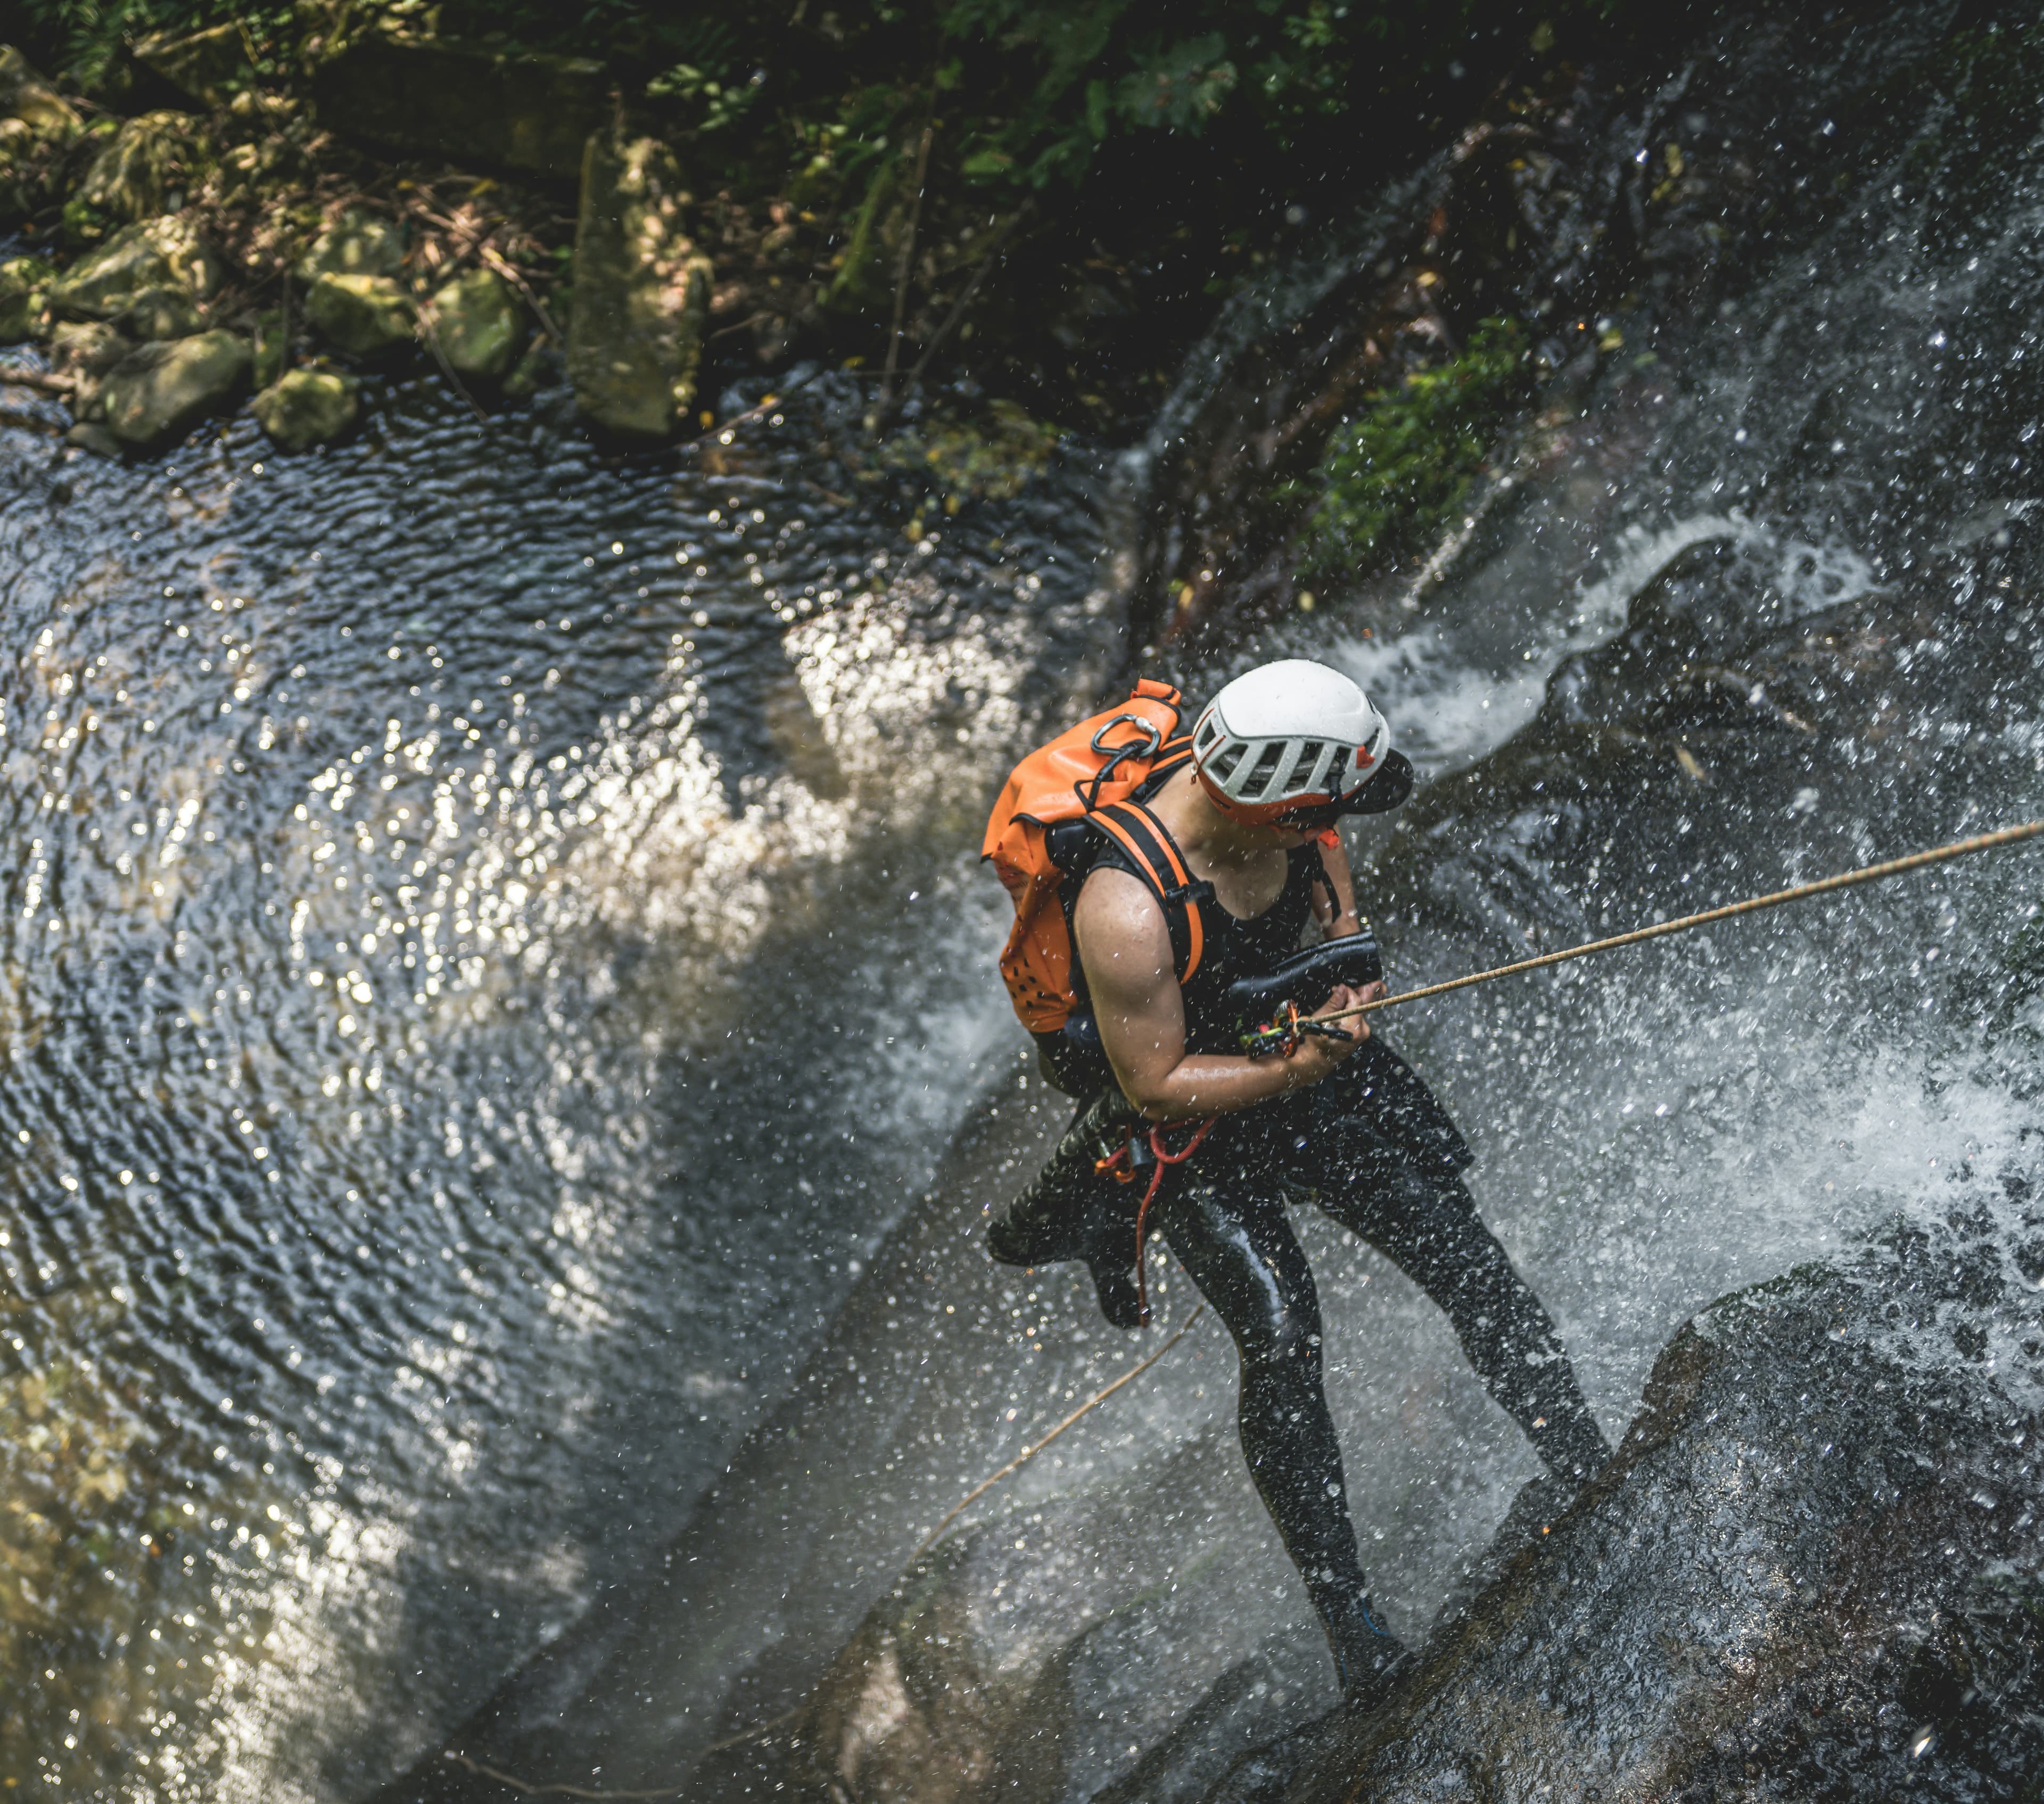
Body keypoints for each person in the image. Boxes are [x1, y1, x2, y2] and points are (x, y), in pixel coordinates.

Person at [988, 658, 1610, 1706]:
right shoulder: (1124, 906)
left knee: (1465, 1256)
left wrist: (1348, 969)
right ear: (1268, 805)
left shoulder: (1295, 815)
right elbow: (1154, 1084)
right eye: (1321, 812)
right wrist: (1299, 1066)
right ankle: (1352, 1625)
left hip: (1297, 1061)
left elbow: (1331, 884)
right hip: (1193, 1124)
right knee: (1281, 1338)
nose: (1334, 827)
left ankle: (1587, 1461)